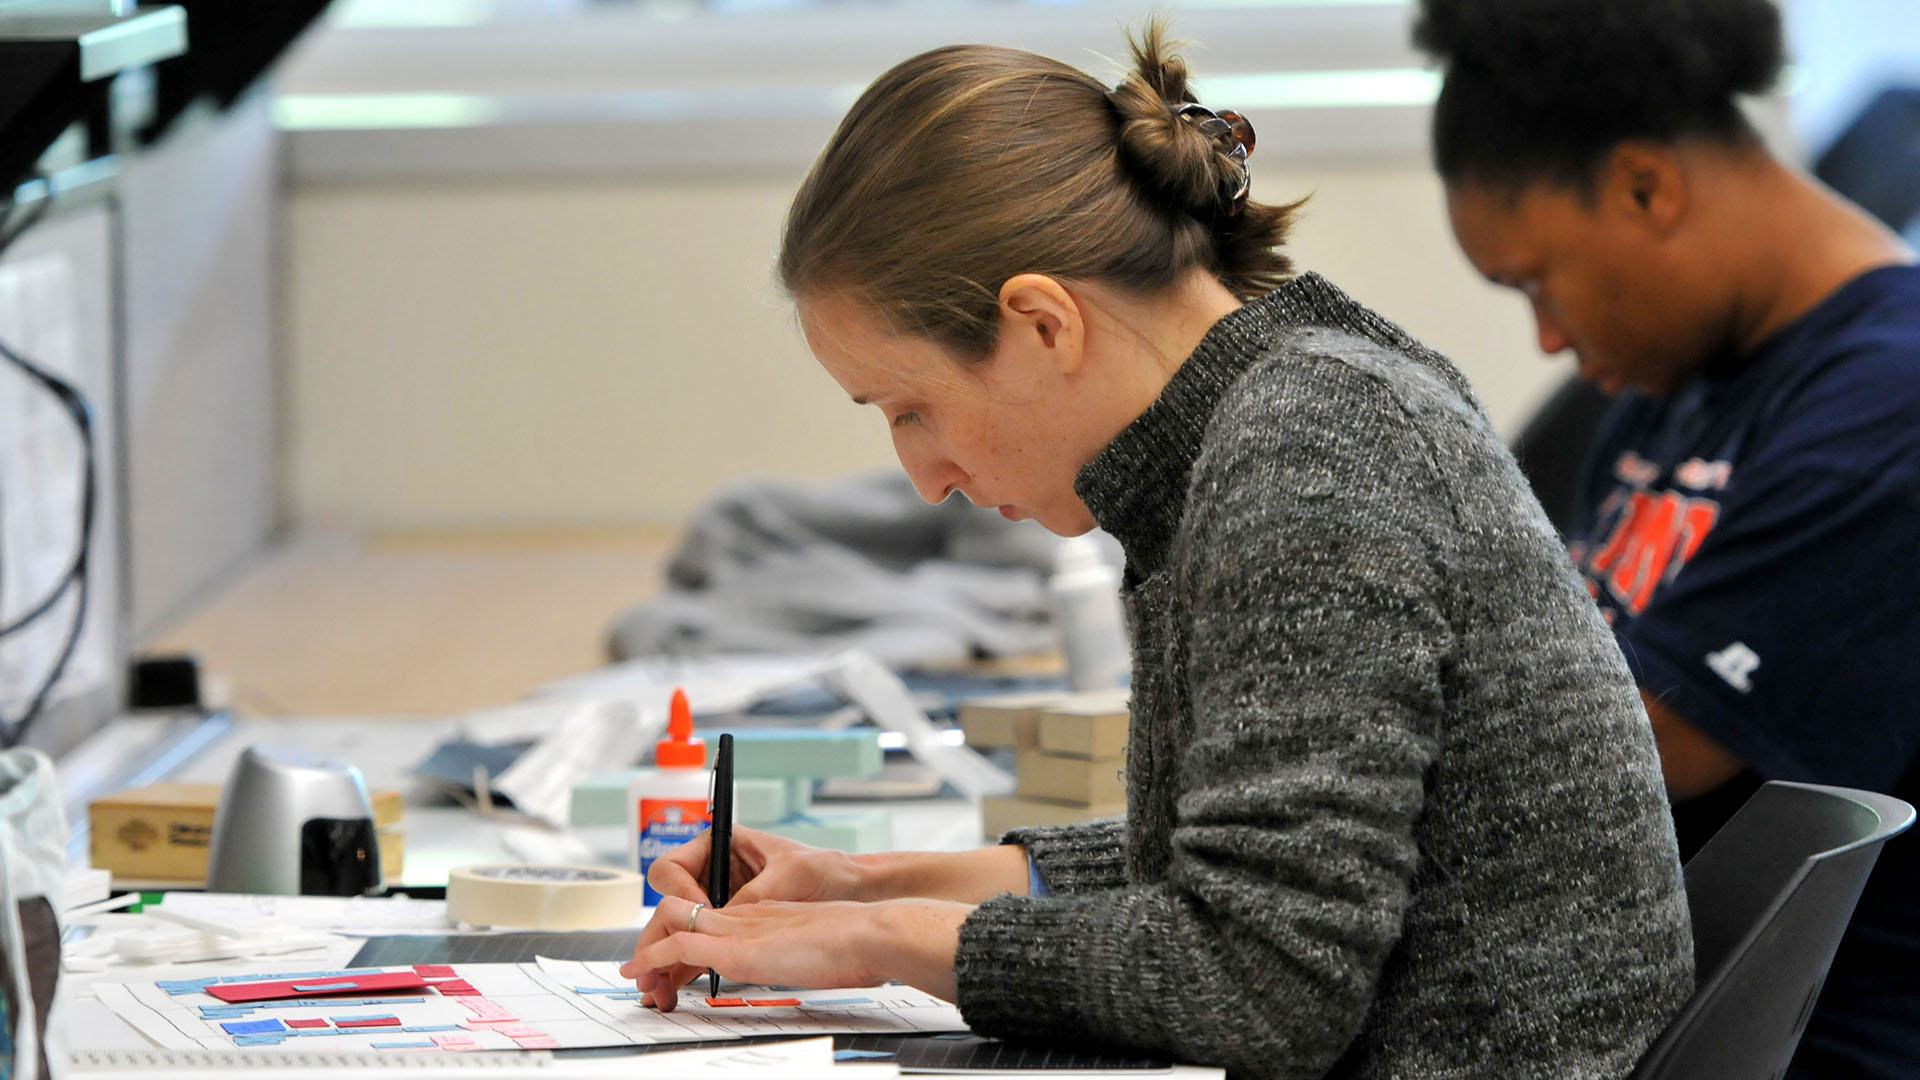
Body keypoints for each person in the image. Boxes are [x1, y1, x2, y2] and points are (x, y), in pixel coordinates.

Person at [620, 23, 1694, 1079]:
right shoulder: (1276, 414)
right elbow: (1233, 870)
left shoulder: (1310, 453)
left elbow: (1264, 983)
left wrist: (879, 940)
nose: (924, 476)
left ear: (1044, 324)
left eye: (912, 409)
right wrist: (867, 886)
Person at [1415, 2, 1920, 1077]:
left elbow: (1604, 756)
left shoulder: (1891, 404)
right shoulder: (1673, 386)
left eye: (1535, 279)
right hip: (1622, 995)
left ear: (1646, 185)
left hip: (1786, 1044)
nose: (1548, 336)